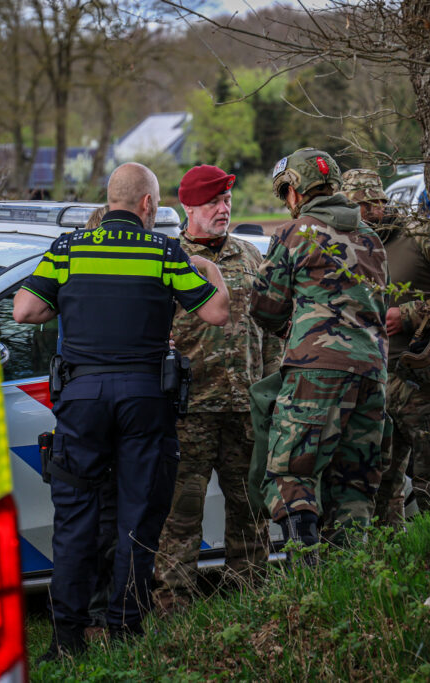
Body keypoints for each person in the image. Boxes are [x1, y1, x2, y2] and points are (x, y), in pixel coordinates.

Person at [13, 162, 230, 658]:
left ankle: (67, 638)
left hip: (82, 402)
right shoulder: (164, 253)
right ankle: (127, 631)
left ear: (110, 200)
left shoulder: (68, 249)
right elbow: (217, 311)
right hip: (145, 401)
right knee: (138, 516)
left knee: (74, 520)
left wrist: (66, 305)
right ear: (148, 205)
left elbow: (24, 311)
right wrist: (209, 269)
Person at [249, 148, 389, 562]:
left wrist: (289, 329)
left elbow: (265, 306)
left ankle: (306, 586)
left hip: (317, 373)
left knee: (291, 473)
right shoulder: (371, 238)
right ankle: (348, 586)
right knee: (355, 482)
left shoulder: (296, 234)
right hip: (372, 375)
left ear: (295, 190)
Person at [153, 165, 280, 613]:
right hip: (189, 411)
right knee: (180, 515)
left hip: (245, 409)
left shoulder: (250, 257)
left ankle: (250, 601)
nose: (223, 209)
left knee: (250, 510)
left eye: (226, 201)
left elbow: (272, 330)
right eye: (212, 203)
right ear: (188, 206)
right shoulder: (166, 258)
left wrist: (271, 392)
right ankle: (174, 607)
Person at [341, 169, 430, 522]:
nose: (359, 215)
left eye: (363, 207)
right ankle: (389, 571)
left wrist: (410, 314)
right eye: (352, 209)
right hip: (373, 387)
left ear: (378, 202)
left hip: (425, 385)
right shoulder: (350, 245)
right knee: (379, 491)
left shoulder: (420, 234)